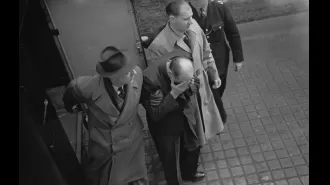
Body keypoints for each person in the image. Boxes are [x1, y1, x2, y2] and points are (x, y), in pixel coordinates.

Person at [62, 46, 148, 185]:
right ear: (113, 76)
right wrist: (72, 107)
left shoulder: (136, 73)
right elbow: (73, 90)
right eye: (127, 72)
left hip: (133, 137)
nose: (133, 72)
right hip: (106, 143)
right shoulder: (88, 87)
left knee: (137, 175)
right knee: (109, 178)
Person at [145, 0, 224, 144]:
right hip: (184, 97)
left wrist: (213, 73)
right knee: (192, 131)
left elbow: (206, 51)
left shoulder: (194, 25)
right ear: (172, 19)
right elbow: (158, 81)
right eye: (186, 18)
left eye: (191, 16)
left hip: (202, 86)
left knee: (206, 118)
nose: (191, 21)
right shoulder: (158, 47)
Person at [141, 55, 205, 185]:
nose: (188, 83)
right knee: (170, 158)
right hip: (165, 126)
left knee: (191, 145)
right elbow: (156, 114)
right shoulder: (149, 80)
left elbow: (196, 83)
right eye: (184, 82)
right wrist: (174, 94)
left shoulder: (183, 62)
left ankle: (189, 173)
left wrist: (188, 87)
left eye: (189, 79)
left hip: (185, 115)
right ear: (171, 74)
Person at [189, 0, 245, 123]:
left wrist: (238, 58)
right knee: (210, 89)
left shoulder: (220, 8)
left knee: (219, 87)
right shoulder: (185, 11)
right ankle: (218, 117)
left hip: (220, 59)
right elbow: (171, 27)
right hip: (199, 62)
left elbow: (232, 33)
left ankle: (214, 106)